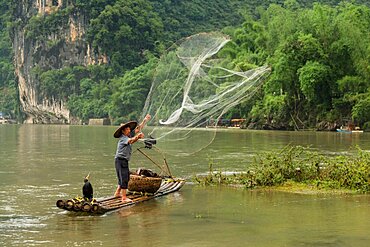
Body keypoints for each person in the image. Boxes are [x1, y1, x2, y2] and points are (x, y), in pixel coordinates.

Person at [113, 114, 151, 203]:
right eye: (127, 129)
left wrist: (145, 120)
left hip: (121, 160)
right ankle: (124, 197)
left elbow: (138, 129)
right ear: (123, 131)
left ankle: (117, 193)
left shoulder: (128, 135)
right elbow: (131, 141)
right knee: (124, 178)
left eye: (129, 129)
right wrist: (138, 137)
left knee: (122, 177)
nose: (129, 130)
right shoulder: (123, 138)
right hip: (121, 160)